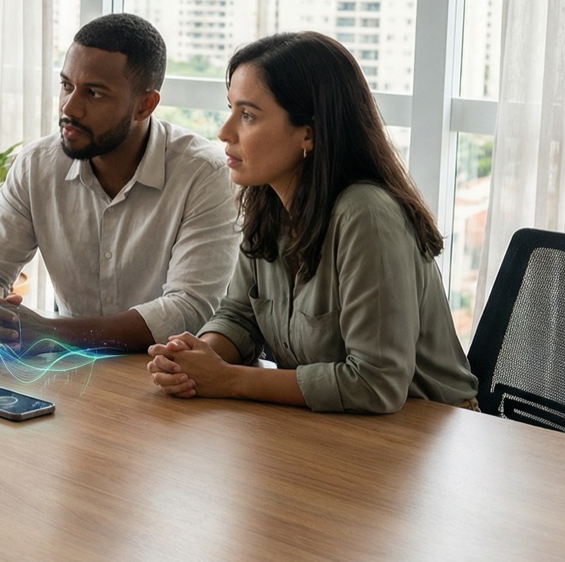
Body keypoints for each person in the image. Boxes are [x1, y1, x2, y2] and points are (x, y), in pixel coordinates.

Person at [147, 31, 478, 414]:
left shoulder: (365, 215)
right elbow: (240, 317)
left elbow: (376, 383)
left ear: (309, 132)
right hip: (331, 428)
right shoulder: (268, 201)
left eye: (248, 115)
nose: (224, 132)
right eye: (231, 109)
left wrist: (228, 379)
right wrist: (194, 358)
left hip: (428, 434)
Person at [0, 13, 239, 352]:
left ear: (145, 105)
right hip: (67, 375)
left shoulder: (204, 174)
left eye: (94, 94)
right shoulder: (37, 165)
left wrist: (54, 332)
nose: (70, 107)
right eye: (66, 85)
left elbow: (189, 310)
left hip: (167, 377)